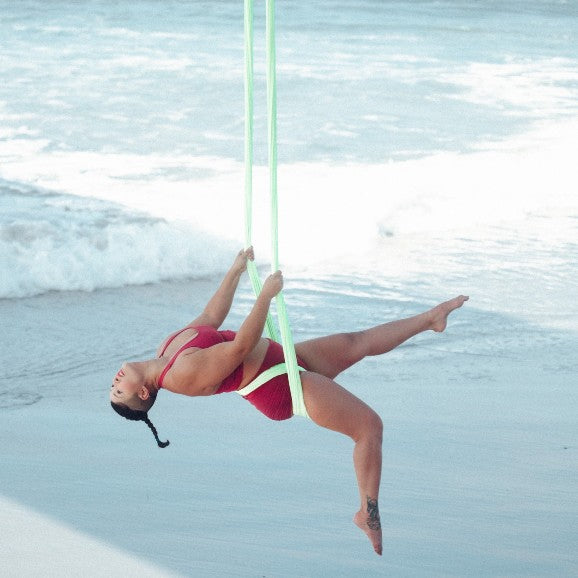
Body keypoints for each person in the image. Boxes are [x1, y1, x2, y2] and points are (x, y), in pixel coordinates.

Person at [110, 247, 468, 555]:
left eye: (113, 386)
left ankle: (431, 319)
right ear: (143, 393)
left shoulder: (166, 349)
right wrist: (265, 296)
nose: (116, 381)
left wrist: (235, 270)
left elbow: (209, 318)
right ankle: (367, 512)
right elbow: (239, 347)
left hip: (280, 359)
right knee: (368, 427)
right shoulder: (180, 375)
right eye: (119, 390)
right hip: (278, 385)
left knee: (354, 342)